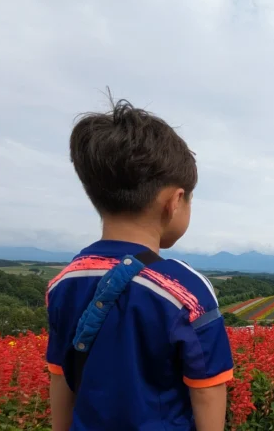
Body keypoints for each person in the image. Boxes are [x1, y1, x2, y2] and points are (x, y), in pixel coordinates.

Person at [46, 98, 233, 431]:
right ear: (174, 202)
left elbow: (61, 376)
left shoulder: (64, 281)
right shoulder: (185, 290)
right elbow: (208, 389)